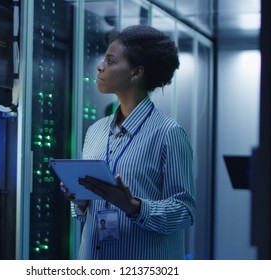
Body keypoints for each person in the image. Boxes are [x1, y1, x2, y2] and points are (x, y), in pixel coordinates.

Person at [61, 24, 196, 260]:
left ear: (136, 73)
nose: (100, 66)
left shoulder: (168, 133)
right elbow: (84, 212)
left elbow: (185, 211)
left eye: (111, 61)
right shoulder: (95, 131)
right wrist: (81, 200)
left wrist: (133, 206)